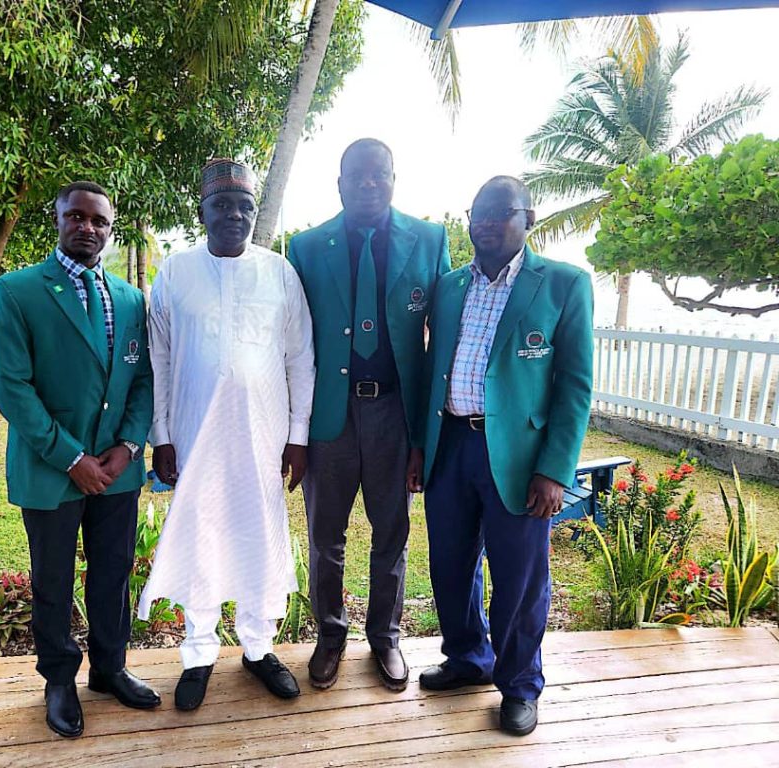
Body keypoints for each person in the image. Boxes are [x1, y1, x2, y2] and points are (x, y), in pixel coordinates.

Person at [416, 176, 594, 736]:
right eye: (478, 213)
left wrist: (554, 469)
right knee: (449, 564)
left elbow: (575, 385)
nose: (486, 223)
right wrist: (421, 448)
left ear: (529, 218)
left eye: (500, 212)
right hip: (451, 445)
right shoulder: (447, 287)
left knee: (519, 576)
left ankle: (519, 685)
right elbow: (430, 371)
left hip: (520, 459)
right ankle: (469, 658)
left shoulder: (564, 284)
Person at [138, 158, 315, 711]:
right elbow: (158, 358)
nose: (234, 215)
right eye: (222, 205)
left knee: (261, 532)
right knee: (201, 533)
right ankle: (197, 654)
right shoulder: (175, 272)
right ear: (203, 212)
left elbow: (300, 356)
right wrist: (161, 434)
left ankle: (259, 649)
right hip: (193, 434)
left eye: (245, 206)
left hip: (264, 435)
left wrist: (299, 435)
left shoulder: (279, 272)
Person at [0, 181, 158, 739]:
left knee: (113, 574)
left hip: (118, 470)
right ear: (58, 220)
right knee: (53, 580)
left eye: (99, 221)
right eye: (76, 217)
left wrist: (128, 446)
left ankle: (110, 669)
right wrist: (71, 458)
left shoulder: (132, 299)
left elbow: (143, 379)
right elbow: (12, 387)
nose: (88, 228)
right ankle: (58, 679)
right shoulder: (17, 292)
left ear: (111, 228)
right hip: (51, 469)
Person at [286, 138, 451, 692]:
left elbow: (440, 345)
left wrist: (424, 438)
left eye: (378, 175)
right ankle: (330, 636)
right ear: (339, 183)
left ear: (394, 178)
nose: (367, 184)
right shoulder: (306, 247)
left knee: (392, 533)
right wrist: (294, 432)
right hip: (328, 416)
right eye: (356, 176)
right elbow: (292, 341)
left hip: (393, 415)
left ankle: (386, 637)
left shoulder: (429, 241)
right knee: (324, 535)